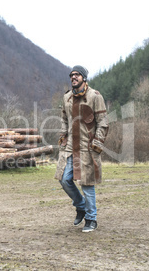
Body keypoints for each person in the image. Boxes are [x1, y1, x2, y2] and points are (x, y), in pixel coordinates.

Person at [54, 65, 108, 232]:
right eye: (71, 75)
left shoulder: (95, 96)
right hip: (70, 145)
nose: (73, 77)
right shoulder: (67, 97)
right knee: (64, 179)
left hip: (87, 145)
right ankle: (81, 206)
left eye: (77, 75)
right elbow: (64, 118)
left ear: (84, 78)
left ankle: (91, 219)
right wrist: (63, 136)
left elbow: (103, 122)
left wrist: (97, 142)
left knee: (87, 183)